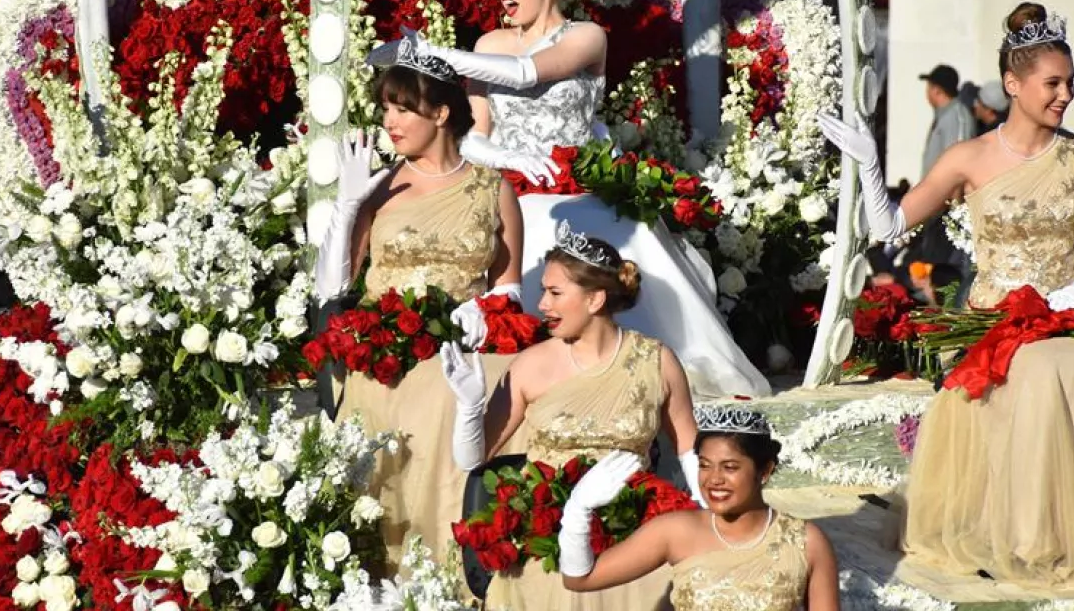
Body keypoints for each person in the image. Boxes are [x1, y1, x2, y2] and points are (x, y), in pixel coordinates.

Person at [819, 1, 1074, 608]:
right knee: (1036, 375)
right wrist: (870, 163)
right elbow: (889, 228)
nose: (1066, 95)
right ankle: (1029, 541)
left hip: (1069, 315)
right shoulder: (968, 157)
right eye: (1053, 83)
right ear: (1015, 84)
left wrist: (1071, 294)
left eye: (1071, 83)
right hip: (995, 323)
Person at [394, 0, 772, 400]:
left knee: (610, 243)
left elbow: (530, 72)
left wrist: (434, 53)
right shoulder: (487, 45)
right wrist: (507, 158)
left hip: (581, 192)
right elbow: (472, 136)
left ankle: (631, 382)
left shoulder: (588, 36)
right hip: (512, 191)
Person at [313, 39, 528, 571]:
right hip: (387, 345)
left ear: (441, 112)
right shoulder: (381, 186)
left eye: (402, 107)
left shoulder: (492, 189)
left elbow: (508, 284)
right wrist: (347, 207)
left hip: (468, 340)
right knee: (432, 397)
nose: (389, 120)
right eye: (385, 106)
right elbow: (332, 285)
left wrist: (486, 313)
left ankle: (472, 565)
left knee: (487, 390)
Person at [441, 222, 701, 609]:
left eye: (554, 292)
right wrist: (469, 407)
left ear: (595, 299)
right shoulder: (531, 365)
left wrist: (711, 525)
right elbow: (472, 460)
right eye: (544, 291)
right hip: (549, 533)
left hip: (635, 526)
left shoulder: (657, 360)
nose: (542, 304)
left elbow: (689, 451)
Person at [556, 406, 840, 611]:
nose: (714, 479)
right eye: (704, 465)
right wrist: (577, 511)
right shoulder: (676, 531)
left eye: (730, 467)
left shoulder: (806, 541)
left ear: (764, 470)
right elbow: (580, 579)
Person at [919, 64, 976, 177]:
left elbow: (958, 164)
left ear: (937, 90)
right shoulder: (944, 116)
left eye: (929, 86)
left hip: (946, 193)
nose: (926, 91)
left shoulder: (957, 117)